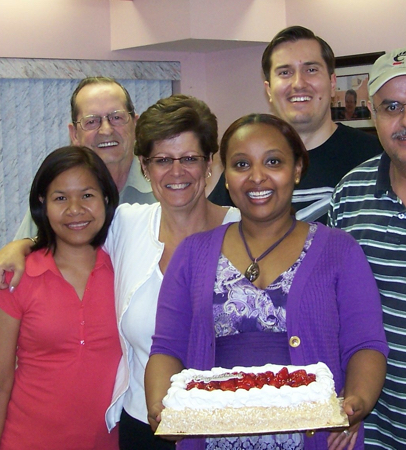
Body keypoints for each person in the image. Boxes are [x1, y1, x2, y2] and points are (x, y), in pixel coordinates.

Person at [0, 95, 241, 449]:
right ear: (145, 167)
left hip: (229, 426)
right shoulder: (126, 225)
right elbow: (70, 226)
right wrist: (17, 248)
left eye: (189, 158)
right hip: (142, 428)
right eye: (161, 160)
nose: (176, 172)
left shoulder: (243, 232)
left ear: (209, 164)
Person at [146, 113, 389, 450]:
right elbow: (167, 348)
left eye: (273, 161)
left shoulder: (340, 251)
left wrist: (355, 402)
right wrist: (162, 409)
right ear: (226, 177)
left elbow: (365, 344)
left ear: (297, 170)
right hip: (210, 439)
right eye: (241, 164)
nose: (257, 177)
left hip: (318, 438)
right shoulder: (192, 254)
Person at [328, 47, 406, 449]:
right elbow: (336, 311)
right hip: (373, 434)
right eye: (391, 107)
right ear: (372, 115)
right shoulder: (350, 194)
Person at [0, 146, 121, 449]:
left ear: (106, 199)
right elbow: (1, 380)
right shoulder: (19, 276)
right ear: (42, 203)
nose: (75, 209)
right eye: (60, 198)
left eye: (87, 195)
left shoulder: (124, 270)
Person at [208, 26, 382, 223]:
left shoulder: (375, 156)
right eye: (285, 72)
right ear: (269, 90)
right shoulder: (246, 165)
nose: (299, 83)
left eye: (311, 69)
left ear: (333, 83)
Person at [14, 76, 156, 240]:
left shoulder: (161, 187)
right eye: (91, 121)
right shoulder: (57, 192)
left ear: (135, 125)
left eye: (116, 117)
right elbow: (24, 250)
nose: (106, 130)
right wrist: (23, 246)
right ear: (74, 134)